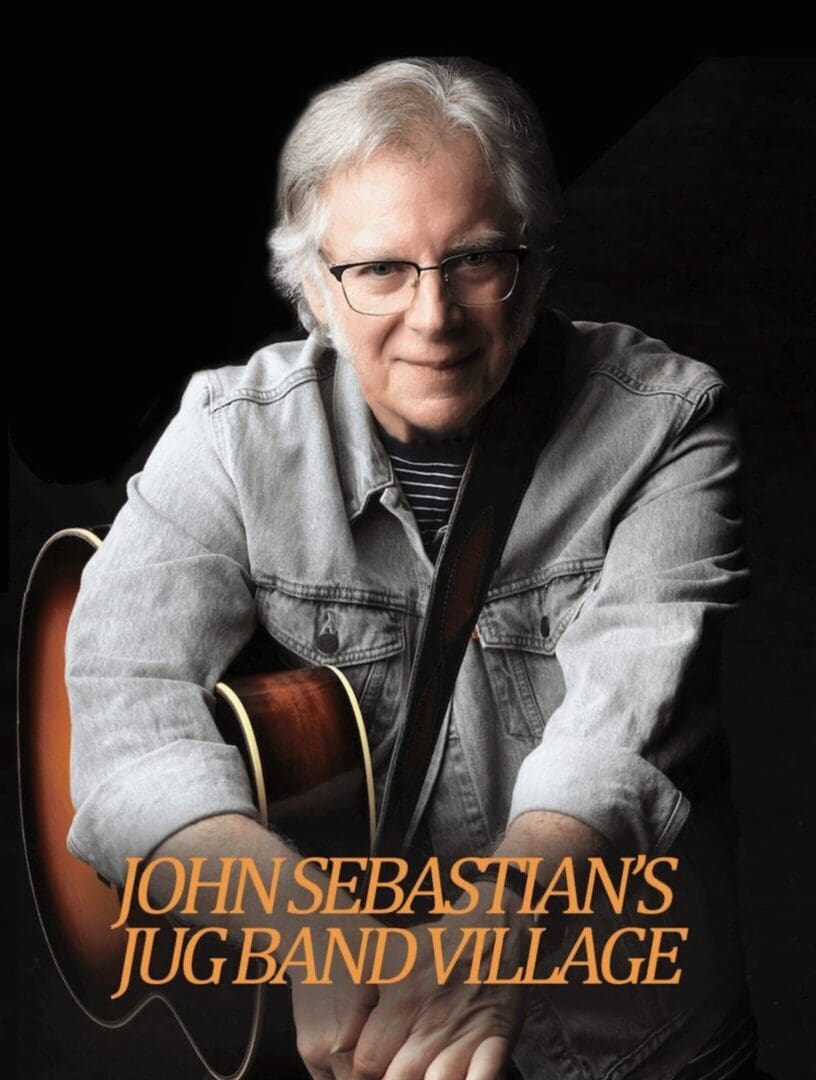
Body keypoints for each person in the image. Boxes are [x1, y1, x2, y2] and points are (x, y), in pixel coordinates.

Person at [65, 57, 759, 1078]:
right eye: (380, 269)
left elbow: (623, 729)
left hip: (638, 1033)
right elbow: (126, 710)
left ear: (535, 265)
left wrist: (496, 936)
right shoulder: (227, 436)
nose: (434, 318)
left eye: (475, 260)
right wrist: (311, 936)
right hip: (352, 1032)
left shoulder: (667, 425)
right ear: (311, 287)